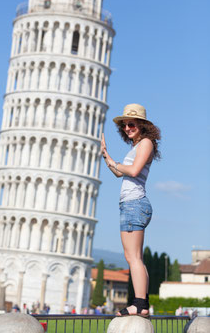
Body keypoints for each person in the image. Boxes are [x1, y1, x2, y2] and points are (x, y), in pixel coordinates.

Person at [101, 104, 161, 317]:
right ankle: (142, 302)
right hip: (132, 204)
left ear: (143, 125)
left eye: (132, 124)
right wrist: (107, 157)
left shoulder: (146, 143)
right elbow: (120, 173)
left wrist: (116, 162)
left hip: (134, 203)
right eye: (125, 125)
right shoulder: (138, 146)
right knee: (135, 257)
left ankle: (139, 304)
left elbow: (133, 170)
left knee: (133, 257)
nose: (127, 128)